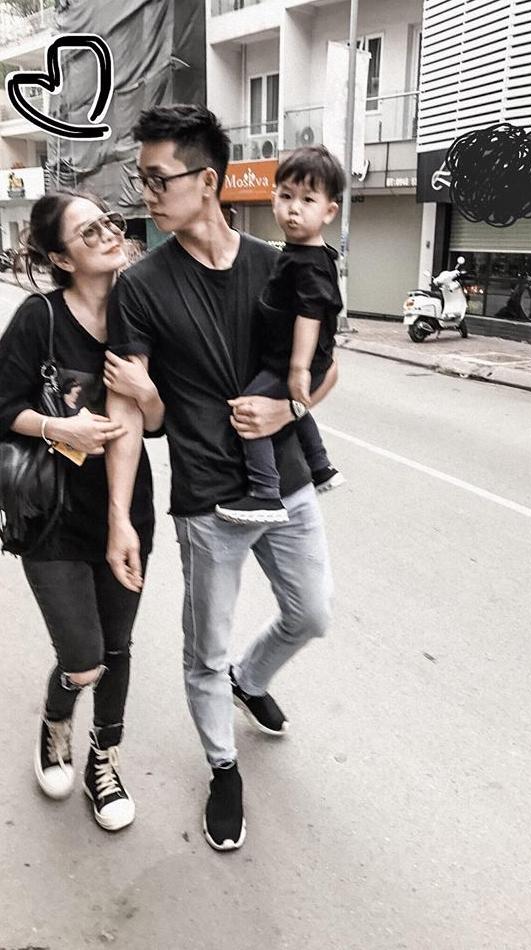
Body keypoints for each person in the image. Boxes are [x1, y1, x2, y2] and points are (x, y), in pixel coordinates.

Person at [105, 104, 336, 852]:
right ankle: (223, 768)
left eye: (158, 178)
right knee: (205, 649)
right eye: (141, 178)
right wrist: (119, 514)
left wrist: (287, 407)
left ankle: (253, 679)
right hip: (206, 498)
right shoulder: (140, 286)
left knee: (312, 614)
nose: (146, 192)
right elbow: (131, 410)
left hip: (285, 480)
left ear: (207, 181)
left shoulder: (281, 263)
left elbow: (327, 367)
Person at [0, 191, 163, 832]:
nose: (107, 234)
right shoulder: (38, 318)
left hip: (126, 512)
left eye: (108, 222)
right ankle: (56, 718)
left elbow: (158, 422)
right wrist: (57, 427)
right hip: (52, 517)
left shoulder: (140, 309)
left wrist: (148, 394)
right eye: (88, 231)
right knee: (83, 656)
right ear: (62, 259)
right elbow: (2, 406)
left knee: (117, 647)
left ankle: (104, 760)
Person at [215, 145, 345, 526]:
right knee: (294, 407)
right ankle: (320, 466)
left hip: (292, 363)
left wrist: (298, 369)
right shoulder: (300, 253)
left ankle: (266, 493)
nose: (293, 209)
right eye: (286, 196)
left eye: (307, 200)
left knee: (248, 408)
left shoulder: (310, 264)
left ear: (329, 212)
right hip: (289, 360)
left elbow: (310, 315)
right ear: (272, 198)